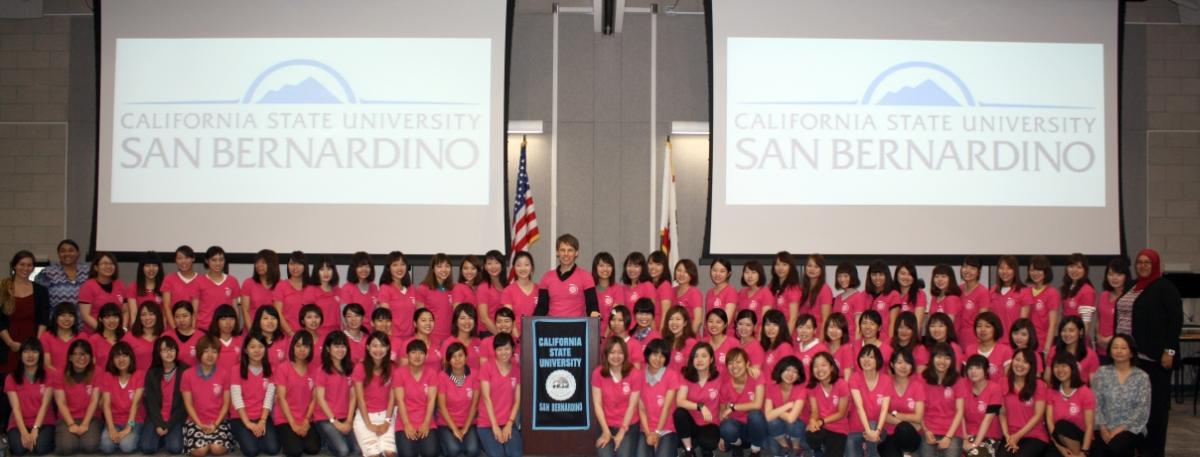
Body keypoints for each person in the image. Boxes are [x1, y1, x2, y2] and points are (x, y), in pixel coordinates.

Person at [1120, 248, 1181, 457]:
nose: (1143, 265)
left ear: (1155, 264)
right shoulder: (1132, 286)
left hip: (1154, 358)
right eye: (1139, 262)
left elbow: (1175, 320)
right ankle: (1137, 449)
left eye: (1147, 262)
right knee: (1133, 407)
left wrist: (1169, 351)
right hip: (1131, 359)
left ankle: (1153, 452)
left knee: (1155, 410)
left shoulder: (1165, 287)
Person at [1091, 334, 1149, 457]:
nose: (1119, 351)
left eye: (1123, 348)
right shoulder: (1101, 373)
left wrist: (1119, 429)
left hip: (1131, 429)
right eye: (1115, 347)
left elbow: (1142, 410)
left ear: (1131, 352)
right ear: (1109, 351)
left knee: (1116, 447)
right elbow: (1095, 403)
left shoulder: (1142, 377)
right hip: (1103, 427)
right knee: (1097, 451)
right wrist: (1103, 428)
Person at [180, 335, 233, 457]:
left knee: (217, 449)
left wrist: (215, 424)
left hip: (219, 420)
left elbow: (226, 404)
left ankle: (214, 441)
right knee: (200, 451)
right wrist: (199, 424)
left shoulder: (224, 373)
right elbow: (188, 404)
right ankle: (205, 441)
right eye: (206, 351)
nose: (210, 355)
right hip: (195, 420)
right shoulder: (187, 374)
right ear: (199, 353)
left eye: (214, 351)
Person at [229, 333, 278, 457]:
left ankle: (254, 437)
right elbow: (237, 399)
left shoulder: (271, 368)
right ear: (246, 350)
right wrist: (248, 423)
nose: (257, 350)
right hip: (241, 417)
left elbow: (269, 397)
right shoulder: (236, 369)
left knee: (273, 449)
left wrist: (262, 421)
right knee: (251, 451)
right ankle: (242, 437)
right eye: (252, 347)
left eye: (261, 346)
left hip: (262, 415)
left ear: (265, 349)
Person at [2, 251, 50, 375]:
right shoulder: (3, 288)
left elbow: (43, 320)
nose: (26, 268)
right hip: (6, 343)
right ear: (14, 265)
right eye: (22, 264)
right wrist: (10, 343)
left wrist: (35, 345)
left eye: (29, 265)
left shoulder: (41, 290)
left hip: (31, 341)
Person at [591, 337, 642, 457]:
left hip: (628, 425)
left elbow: (632, 406)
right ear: (606, 354)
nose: (616, 356)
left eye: (620, 352)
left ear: (625, 354)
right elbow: (597, 405)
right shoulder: (598, 373)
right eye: (612, 352)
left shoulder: (634, 373)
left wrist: (622, 432)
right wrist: (606, 431)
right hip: (605, 424)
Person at [274, 331, 320, 457]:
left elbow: (314, 398)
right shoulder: (283, 368)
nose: (302, 350)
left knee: (313, 449)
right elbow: (281, 398)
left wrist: (306, 420)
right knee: (295, 451)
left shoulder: (314, 369)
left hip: (305, 417)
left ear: (311, 349)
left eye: (306, 346)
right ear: (292, 347)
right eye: (298, 345)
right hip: (285, 418)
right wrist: (293, 424)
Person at [6, 339, 55, 456]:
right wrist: (24, 432)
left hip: (44, 422)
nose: (30, 355)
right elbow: (16, 408)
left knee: (40, 448)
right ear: (20, 355)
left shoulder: (49, 376)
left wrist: (35, 429)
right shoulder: (11, 378)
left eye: (34, 351)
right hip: (19, 424)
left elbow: (45, 405)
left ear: (40, 355)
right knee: (18, 449)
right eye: (26, 351)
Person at [139, 336, 187, 455]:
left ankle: (165, 437)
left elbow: (184, 405)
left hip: (175, 418)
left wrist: (168, 425)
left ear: (176, 351)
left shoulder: (184, 371)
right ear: (158, 353)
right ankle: (162, 437)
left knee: (175, 448)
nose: (169, 353)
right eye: (165, 350)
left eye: (171, 349)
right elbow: (150, 403)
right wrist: (159, 424)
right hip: (156, 418)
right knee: (147, 448)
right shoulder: (152, 373)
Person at [352, 332, 396, 457]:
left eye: (382, 346)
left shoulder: (393, 367)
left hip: (387, 414)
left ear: (388, 348)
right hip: (365, 416)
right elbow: (360, 399)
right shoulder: (360, 368)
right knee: (374, 454)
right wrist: (369, 424)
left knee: (390, 453)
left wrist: (387, 422)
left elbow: (392, 398)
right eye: (374, 346)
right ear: (368, 347)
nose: (378, 350)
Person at [52, 340, 100, 455]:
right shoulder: (60, 374)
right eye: (77, 354)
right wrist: (71, 424)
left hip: (91, 418)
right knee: (67, 447)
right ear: (70, 357)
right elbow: (61, 402)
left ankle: (82, 438)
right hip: (67, 418)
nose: (81, 358)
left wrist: (85, 424)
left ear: (90, 357)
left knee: (90, 446)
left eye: (85, 354)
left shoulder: (97, 372)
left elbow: (94, 400)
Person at [314, 332, 357, 457]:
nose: (340, 350)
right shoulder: (322, 370)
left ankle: (332, 439)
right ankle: (326, 441)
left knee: (358, 449)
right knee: (343, 451)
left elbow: (353, 396)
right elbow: (320, 399)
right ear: (328, 348)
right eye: (336, 346)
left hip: (345, 416)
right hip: (325, 418)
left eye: (343, 346)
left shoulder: (351, 368)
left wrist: (349, 420)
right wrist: (335, 422)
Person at [477, 333, 521, 457]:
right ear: (495, 350)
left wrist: (509, 424)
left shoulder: (517, 370)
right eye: (499, 349)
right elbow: (486, 398)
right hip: (487, 422)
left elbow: (517, 401)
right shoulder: (487, 367)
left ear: (513, 349)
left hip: (507, 421)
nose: (503, 352)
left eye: (507, 348)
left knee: (515, 454)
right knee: (497, 454)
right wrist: (495, 426)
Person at [673, 343, 721, 457]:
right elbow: (680, 401)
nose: (699, 360)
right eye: (696, 356)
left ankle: (701, 445)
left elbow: (736, 371)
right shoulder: (686, 376)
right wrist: (700, 406)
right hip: (691, 422)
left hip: (709, 422)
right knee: (679, 413)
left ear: (711, 359)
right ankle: (689, 449)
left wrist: (750, 368)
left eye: (704, 356)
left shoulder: (719, 376)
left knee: (709, 443)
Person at [535, 234, 599, 319]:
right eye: (562, 250)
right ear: (557, 252)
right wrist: (531, 322)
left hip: (577, 326)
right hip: (552, 325)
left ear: (576, 253)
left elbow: (592, 306)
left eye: (570, 250)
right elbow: (541, 307)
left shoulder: (586, 277)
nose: (566, 254)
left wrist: (594, 313)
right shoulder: (546, 277)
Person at [394, 339, 439, 457]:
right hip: (405, 419)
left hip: (426, 419)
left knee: (431, 453)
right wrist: (407, 424)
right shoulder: (399, 373)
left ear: (426, 356)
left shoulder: (432, 373)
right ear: (407, 355)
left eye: (421, 353)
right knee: (407, 454)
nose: (417, 356)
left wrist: (426, 423)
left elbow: (431, 400)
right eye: (413, 352)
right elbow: (400, 401)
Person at [999, 348, 1048, 457]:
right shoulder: (1003, 382)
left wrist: (1017, 436)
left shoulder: (1039, 384)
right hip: (1010, 434)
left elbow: (1038, 415)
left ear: (1031, 366)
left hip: (1034, 435)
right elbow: (1002, 413)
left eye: (1025, 362)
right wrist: (1007, 435)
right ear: (1012, 361)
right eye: (1017, 360)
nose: (1020, 364)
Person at [717, 348, 765, 456]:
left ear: (747, 364)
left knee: (755, 415)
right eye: (730, 363)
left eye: (738, 362)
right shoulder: (725, 386)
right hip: (737, 430)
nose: (734, 366)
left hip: (754, 429)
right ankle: (737, 445)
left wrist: (733, 407)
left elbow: (757, 404)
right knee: (726, 428)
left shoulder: (756, 376)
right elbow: (723, 414)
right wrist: (722, 436)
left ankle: (755, 450)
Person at [918, 343, 963, 457]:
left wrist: (948, 437)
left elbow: (960, 411)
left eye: (947, 358)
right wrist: (925, 431)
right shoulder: (922, 379)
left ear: (952, 360)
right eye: (938, 357)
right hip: (928, 430)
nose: (942, 361)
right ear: (932, 358)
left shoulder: (958, 380)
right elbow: (919, 410)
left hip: (952, 432)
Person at [1047, 352, 1095, 457]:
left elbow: (1090, 426)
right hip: (1059, 442)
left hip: (1083, 441)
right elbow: (1049, 421)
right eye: (1056, 366)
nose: (1060, 370)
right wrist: (1060, 447)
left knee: (1062, 425)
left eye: (1064, 366)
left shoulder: (1085, 392)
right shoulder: (1051, 392)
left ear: (1072, 368)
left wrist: (1084, 451)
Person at [99, 342, 143, 454]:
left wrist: (128, 428)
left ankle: (135, 437)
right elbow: (106, 405)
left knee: (126, 446)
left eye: (124, 356)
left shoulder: (139, 375)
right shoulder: (108, 376)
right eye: (117, 356)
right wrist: (111, 428)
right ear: (112, 360)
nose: (121, 360)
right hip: (113, 421)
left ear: (130, 358)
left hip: (133, 421)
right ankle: (118, 437)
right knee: (106, 447)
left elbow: (135, 404)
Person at [637, 339, 679, 457]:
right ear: (648, 354)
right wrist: (648, 433)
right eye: (655, 354)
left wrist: (657, 433)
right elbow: (641, 409)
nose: (658, 359)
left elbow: (666, 408)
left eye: (662, 356)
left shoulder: (671, 375)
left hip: (667, 428)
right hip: (645, 429)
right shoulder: (639, 375)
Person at [438, 343, 480, 457]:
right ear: (448, 360)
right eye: (453, 356)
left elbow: (474, 405)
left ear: (466, 357)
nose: (457, 359)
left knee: (473, 450)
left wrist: (465, 429)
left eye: (460, 355)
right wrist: (455, 429)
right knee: (454, 450)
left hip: (469, 423)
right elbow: (442, 406)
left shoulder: (474, 374)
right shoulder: (442, 376)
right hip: (447, 423)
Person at [847, 345, 890, 457]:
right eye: (863, 356)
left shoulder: (886, 380)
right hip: (856, 428)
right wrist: (869, 432)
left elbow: (884, 409)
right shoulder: (855, 377)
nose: (866, 360)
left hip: (878, 429)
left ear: (878, 360)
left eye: (871, 357)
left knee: (873, 429)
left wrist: (876, 432)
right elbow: (859, 407)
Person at [878, 349, 923, 457]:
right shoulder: (885, 383)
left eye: (907, 362)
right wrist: (906, 423)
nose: (903, 366)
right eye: (899, 362)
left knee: (904, 429)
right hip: (889, 434)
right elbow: (883, 415)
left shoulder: (917, 386)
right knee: (901, 429)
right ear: (892, 365)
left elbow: (918, 417)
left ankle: (907, 452)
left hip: (911, 436)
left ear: (912, 366)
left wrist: (894, 414)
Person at [805, 351, 848, 457]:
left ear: (831, 367)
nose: (819, 369)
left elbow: (841, 413)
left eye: (823, 365)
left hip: (838, 428)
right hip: (821, 427)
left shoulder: (841, 384)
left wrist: (821, 421)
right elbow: (815, 411)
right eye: (816, 366)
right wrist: (812, 421)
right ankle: (817, 451)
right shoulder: (812, 387)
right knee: (810, 434)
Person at [34, 240, 89, 322]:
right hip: (56, 324)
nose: (67, 254)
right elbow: (39, 300)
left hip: (84, 323)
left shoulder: (88, 271)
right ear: (58, 254)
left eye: (71, 250)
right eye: (63, 251)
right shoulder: (47, 273)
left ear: (78, 253)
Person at [763, 356, 807, 457]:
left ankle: (796, 448)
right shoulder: (771, 387)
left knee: (792, 424)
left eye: (795, 372)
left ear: (798, 376)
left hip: (797, 428)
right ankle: (785, 446)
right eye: (787, 370)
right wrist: (787, 406)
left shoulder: (801, 389)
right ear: (780, 370)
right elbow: (768, 417)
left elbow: (791, 419)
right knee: (772, 423)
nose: (790, 374)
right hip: (779, 428)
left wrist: (774, 411)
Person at [960, 355, 1001, 457]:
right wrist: (965, 439)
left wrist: (975, 444)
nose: (973, 371)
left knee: (974, 453)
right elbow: (960, 415)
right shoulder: (963, 385)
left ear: (986, 370)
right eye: (970, 368)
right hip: (966, 434)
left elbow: (988, 420)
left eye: (978, 367)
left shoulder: (995, 389)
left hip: (988, 436)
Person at [193, 246, 240, 333]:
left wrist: (235, 328)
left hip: (225, 329)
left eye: (221, 260)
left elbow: (235, 308)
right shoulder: (198, 281)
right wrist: (193, 330)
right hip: (204, 328)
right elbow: (194, 309)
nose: (218, 263)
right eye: (214, 260)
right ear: (207, 261)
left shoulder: (232, 281)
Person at [78, 252, 125, 333]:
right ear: (96, 267)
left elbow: (125, 311)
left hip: (117, 333)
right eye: (104, 263)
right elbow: (85, 315)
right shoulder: (87, 286)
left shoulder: (120, 285)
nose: (108, 266)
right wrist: (104, 331)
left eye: (111, 263)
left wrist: (121, 329)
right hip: (94, 333)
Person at [1024, 256, 1060, 356]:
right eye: (1032, 270)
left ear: (1046, 271)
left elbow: (1053, 324)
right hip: (1026, 344)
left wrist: (1046, 349)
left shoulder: (1052, 293)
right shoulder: (1026, 291)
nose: (1035, 273)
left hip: (1042, 345)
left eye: (1039, 270)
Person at [1096, 258, 1131, 361]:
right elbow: (1099, 319)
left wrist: (1112, 339)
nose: (1114, 278)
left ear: (1126, 276)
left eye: (1119, 274)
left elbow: (1129, 325)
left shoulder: (1128, 298)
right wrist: (1098, 337)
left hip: (1120, 350)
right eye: (1110, 274)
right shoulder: (1103, 295)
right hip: (1101, 349)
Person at [416, 254, 455, 345]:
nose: (444, 270)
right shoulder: (423, 288)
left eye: (447, 266)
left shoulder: (453, 289)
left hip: (449, 337)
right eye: (439, 266)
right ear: (433, 269)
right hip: (430, 337)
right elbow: (419, 316)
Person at [377, 251, 417, 340]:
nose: (399, 268)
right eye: (395, 265)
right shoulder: (385, 288)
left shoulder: (411, 288)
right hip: (393, 338)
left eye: (402, 264)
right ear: (388, 268)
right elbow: (385, 318)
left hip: (411, 338)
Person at [500, 252, 538, 341]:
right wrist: (518, 337)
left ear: (532, 267)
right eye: (518, 265)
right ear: (514, 268)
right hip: (516, 337)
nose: (523, 268)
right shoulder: (508, 291)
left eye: (526, 265)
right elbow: (509, 317)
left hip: (536, 335)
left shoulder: (540, 290)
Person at [161, 246, 201, 330]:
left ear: (193, 259)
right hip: (173, 328)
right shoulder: (169, 279)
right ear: (175, 260)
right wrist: (175, 329)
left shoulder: (201, 280)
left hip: (196, 329)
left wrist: (192, 331)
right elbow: (166, 306)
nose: (183, 261)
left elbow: (198, 309)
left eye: (187, 258)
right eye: (180, 258)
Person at [240, 250, 279, 331]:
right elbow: (245, 310)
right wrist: (252, 332)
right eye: (257, 262)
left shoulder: (281, 285)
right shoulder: (248, 283)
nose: (259, 265)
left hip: (273, 331)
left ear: (272, 264)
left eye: (263, 262)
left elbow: (281, 313)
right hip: (252, 330)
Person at [272, 252, 308, 337]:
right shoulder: (281, 286)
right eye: (292, 264)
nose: (295, 267)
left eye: (299, 264)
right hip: (287, 335)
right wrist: (290, 333)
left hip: (308, 336)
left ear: (305, 266)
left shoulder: (312, 287)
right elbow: (278, 312)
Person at [304, 256, 341, 336]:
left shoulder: (338, 290)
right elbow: (306, 317)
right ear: (316, 272)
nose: (326, 273)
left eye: (329, 269)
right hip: (317, 334)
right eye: (322, 269)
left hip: (336, 334)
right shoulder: (310, 290)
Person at [958, 256, 990, 348]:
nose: (967, 271)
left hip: (974, 339)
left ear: (979, 271)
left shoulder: (983, 292)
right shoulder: (958, 290)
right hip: (957, 336)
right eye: (965, 267)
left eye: (972, 268)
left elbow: (983, 320)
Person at [989, 256, 1026, 336]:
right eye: (1001, 268)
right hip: (995, 340)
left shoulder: (1023, 291)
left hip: (1014, 340)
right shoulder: (993, 290)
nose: (1004, 271)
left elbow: (1023, 324)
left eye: (1009, 268)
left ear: (1015, 270)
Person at [862, 260, 898, 340]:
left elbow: (892, 323)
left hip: (884, 340)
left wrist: (890, 343)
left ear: (887, 276)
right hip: (866, 341)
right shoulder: (863, 295)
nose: (877, 278)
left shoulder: (893, 295)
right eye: (874, 275)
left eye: (881, 274)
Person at [340, 252, 379, 324]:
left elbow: (376, 313)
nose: (364, 269)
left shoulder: (374, 287)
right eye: (360, 266)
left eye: (367, 266)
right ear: (354, 268)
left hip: (372, 330)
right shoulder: (347, 288)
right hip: (354, 329)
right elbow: (344, 316)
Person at [475, 251, 508, 336]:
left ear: (502, 265)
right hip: (488, 332)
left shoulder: (507, 286)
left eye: (496, 263)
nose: (493, 266)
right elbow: (484, 318)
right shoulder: (483, 288)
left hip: (504, 331)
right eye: (489, 263)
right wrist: (499, 335)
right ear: (485, 267)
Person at [39, 303, 78, 373]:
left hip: (78, 377)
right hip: (53, 377)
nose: (67, 319)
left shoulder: (82, 336)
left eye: (71, 316)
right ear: (55, 317)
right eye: (63, 315)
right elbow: (47, 365)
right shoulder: (46, 337)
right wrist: (62, 376)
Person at [594, 252, 626, 338]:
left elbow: (615, 314)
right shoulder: (590, 289)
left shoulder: (617, 289)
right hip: (592, 334)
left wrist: (604, 336)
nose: (605, 269)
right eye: (601, 265)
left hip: (611, 335)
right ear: (595, 268)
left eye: (608, 265)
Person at [769, 252, 803, 331]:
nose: (780, 268)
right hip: (773, 331)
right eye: (777, 264)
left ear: (791, 267)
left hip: (788, 332)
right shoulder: (771, 287)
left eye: (784, 264)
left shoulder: (794, 289)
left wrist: (785, 337)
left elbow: (793, 319)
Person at [800, 254, 834, 333]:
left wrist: (820, 339)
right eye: (809, 265)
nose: (812, 269)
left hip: (818, 335)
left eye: (816, 267)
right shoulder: (802, 288)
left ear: (822, 270)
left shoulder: (825, 289)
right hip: (803, 334)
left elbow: (826, 319)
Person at [831, 263, 865, 340]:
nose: (842, 279)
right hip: (837, 340)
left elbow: (859, 326)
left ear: (852, 277)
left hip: (851, 341)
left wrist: (856, 345)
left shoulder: (858, 297)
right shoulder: (837, 298)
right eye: (839, 276)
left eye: (845, 276)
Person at [705, 258, 738, 332]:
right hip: (709, 336)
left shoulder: (731, 291)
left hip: (725, 336)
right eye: (714, 270)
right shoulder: (709, 292)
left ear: (729, 273)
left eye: (722, 271)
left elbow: (727, 320)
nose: (717, 274)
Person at [673, 260, 704, 335]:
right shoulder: (671, 291)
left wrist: (688, 338)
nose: (681, 274)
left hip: (689, 336)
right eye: (679, 270)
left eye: (686, 272)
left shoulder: (695, 293)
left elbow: (698, 320)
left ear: (692, 275)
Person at [165, 302, 200, 368]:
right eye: (177, 317)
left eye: (185, 316)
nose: (181, 320)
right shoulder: (166, 337)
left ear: (192, 316)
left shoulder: (202, 338)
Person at [737, 261, 772, 326]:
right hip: (742, 331)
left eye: (753, 272)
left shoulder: (766, 293)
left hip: (759, 331)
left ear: (760, 274)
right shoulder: (741, 292)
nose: (750, 276)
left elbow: (765, 320)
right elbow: (737, 315)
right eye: (747, 272)